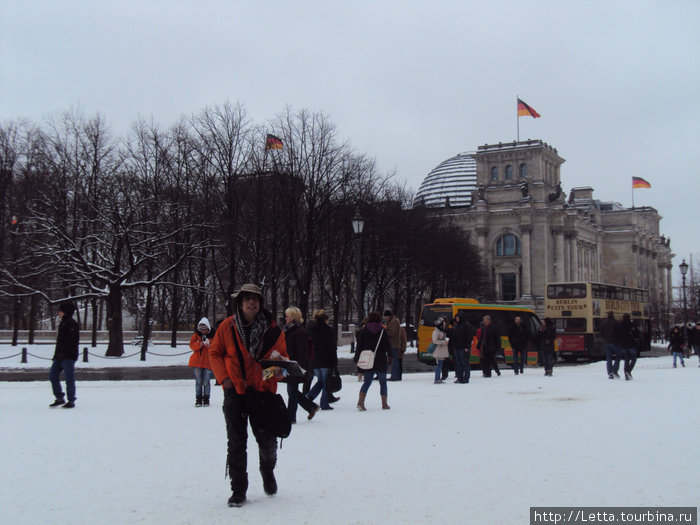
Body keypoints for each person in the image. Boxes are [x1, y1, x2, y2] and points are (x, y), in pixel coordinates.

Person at [208, 283, 288, 508]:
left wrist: (271, 372)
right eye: (247, 299)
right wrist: (224, 379)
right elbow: (214, 352)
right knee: (236, 442)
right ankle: (238, 489)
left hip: (263, 393)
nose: (251, 302)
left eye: (255, 299)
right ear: (240, 303)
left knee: (267, 441)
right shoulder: (227, 326)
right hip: (236, 393)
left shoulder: (273, 329)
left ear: (260, 303)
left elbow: (282, 361)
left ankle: (267, 470)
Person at [283, 307, 320, 422]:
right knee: (292, 390)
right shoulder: (288, 330)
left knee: (292, 391)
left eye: (288, 316)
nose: (285, 318)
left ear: (293, 318)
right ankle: (311, 407)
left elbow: (303, 352)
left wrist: (300, 368)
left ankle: (291, 417)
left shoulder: (299, 332)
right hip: (289, 364)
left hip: (295, 366)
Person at [353, 311, 392, 410]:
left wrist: (357, 358)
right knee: (383, 382)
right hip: (380, 358)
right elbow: (387, 344)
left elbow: (360, 345)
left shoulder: (364, 330)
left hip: (368, 359)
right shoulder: (382, 330)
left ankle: (360, 402)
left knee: (367, 382)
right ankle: (384, 404)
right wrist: (390, 356)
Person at [49, 301, 80, 408]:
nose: (59, 313)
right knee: (53, 376)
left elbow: (70, 341)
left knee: (69, 378)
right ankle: (59, 397)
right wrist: (57, 354)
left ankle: (71, 400)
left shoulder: (71, 324)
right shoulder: (63, 323)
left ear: (66, 312)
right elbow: (61, 342)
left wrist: (63, 353)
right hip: (60, 356)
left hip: (68, 356)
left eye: (61, 311)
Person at [306, 309, 338, 411]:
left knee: (321, 381)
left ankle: (309, 396)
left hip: (314, 360)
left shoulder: (311, 330)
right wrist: (334, 362)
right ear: (325, 319)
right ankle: (324, 403)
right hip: (326, 360)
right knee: (326, 383)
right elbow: (331, 347)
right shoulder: (328, 330)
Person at [189, 317, 213, 406]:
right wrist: (199, 344)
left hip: (209, 363)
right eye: (201, 329)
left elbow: (217, 347)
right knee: (198, 381)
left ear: (208, 328)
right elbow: (191, 345)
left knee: (206, 382)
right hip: (197, 362)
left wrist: (210, 346)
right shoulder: (196, 336)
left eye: (205, 329)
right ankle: (198, 400)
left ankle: (206, 399)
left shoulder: (214, 335)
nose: (203, 331)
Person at [449, 313, 475, 383]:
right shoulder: (457, 326)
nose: (456, 319)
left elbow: (469, 338)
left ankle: (465, 378)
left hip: (463, 347)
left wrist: (467, 347)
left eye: (457, 318)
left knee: (465, 363)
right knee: (458, 363)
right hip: (457, 347)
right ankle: (460, 378)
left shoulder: (466, 326)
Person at [599, 311, 621, 379]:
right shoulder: (616, 322)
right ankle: (614, 370)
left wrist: (605, 338)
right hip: (615, 342)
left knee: (609, 359)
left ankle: (610, 373)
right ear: (613, 315)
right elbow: (619, 332)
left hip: (607, 342)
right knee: (618, 356)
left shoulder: (603, 323)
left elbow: (601, 332)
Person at [617, 313, 638, 380]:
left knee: (626, 359)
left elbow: (618, 334)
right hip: (631, 344)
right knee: (634, 358)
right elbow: (636, 333)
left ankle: (626, 374)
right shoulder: (631, 324)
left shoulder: (620, 325)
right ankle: (628, 371)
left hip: (623, 344)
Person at [431, 317, 450, 384]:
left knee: (440, 365)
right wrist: (444, 342)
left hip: (441, 351)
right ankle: (437, 378)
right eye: (443, 322)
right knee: (439, 365)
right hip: (438, 351)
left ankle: (438, 378)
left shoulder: (441, 330)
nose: (445, 324)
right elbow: (435, 341)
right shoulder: (436, 331)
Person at [385, 310, 402, 381]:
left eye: (385, 316)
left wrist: (385, 331)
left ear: (388, 316)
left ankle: (395, 376)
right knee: (395, 360)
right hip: (394, 343)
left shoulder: (394, 321)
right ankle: (395, 375)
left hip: (393, 344)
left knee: (394, 360)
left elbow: (392, 332)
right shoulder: (393, 321)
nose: (385, 318)